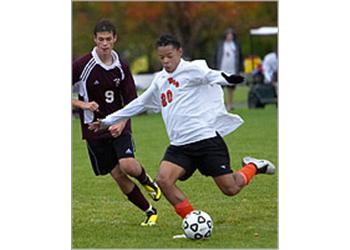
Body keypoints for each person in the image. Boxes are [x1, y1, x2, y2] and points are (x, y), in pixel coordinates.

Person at [89, 34, 275, 222]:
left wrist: (232, 79)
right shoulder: (160, 79)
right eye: (161, 57)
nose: (166, 61)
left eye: (169, 56)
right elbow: (139, 103)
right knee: (163, 180)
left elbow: (213, 75)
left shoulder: (192, 69)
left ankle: (253, 166)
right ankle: (192, 220)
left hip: (206, 140)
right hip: (180, 146)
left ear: (180, 52)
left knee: (231, 188)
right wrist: (106, 121)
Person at [72, 19, 161, 226]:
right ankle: (150, 211)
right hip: (94, 130)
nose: (104, 43)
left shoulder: (122, 66)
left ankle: (148, 181)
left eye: (108, 39)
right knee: (118, 176)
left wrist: (122, 122)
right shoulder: (82, 65)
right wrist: (82, 105)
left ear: (115, 39)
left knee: (127, 165)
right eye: (100, 39)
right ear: (94, 39)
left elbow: (132, 101)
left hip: (119, 125)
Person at [215, 28, 244, 110]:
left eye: (231, 35)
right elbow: (216, 56)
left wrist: (240, 69)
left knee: (231, 88)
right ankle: (220, 105)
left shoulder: (236, 45)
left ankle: (230, 105)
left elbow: (240, 57)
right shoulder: (221, 45)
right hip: (222, 69)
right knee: (220, 88)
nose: (230, 37)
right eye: (228, 35)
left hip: (232, 69)